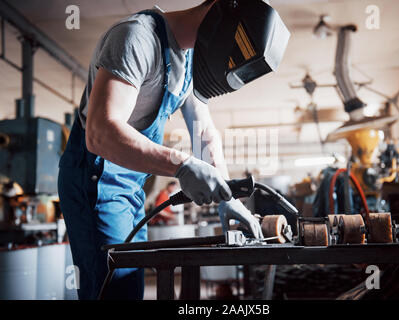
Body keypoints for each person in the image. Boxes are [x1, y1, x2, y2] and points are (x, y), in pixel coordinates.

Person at [58, 0, 288, 299]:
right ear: (219, 15)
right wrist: (181, 165)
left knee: (130, 282)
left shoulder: (191, 58)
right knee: (113, 289)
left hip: (130, 185)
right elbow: (100, 133)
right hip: (95, 179)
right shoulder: (136, 39)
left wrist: (227, 195)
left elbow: (203, 130)